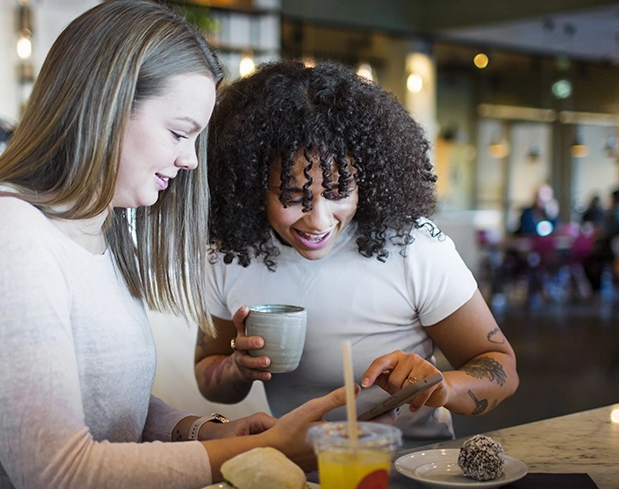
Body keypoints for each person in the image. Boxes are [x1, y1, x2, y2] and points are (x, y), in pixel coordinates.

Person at [0, 1, 347, 489]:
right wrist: (263, 451)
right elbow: (62, 479)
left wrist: (201, 431)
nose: (190, 162)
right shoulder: (1, 233)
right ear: (104, 106)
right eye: (180, 133)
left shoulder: (96, 232)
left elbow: (99, 398)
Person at [194, 61, 519, 444]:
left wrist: (443, 387)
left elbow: (501, 368)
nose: (318, 220)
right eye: (292, 196)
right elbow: (208, 373)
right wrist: (236, 369)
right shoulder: (230, 257)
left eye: (337, 193)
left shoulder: (414, 249)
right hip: (301, 472)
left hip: (412, 469)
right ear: (250, 186)